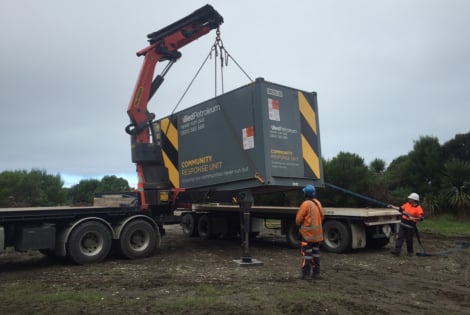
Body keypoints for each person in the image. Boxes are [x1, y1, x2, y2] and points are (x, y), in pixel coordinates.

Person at [296, 184, 324, 279]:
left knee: (306, 255)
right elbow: (322, 216)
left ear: (306, 194)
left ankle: (305, 274)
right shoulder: (318, 203)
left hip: (308, 235)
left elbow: (298, 219)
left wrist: (300, 226)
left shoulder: (305, 204)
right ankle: (316, 273)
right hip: (317, 235)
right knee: (316, 254)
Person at [390, 193, 425, 257]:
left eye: (410, 198)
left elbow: (421, 218)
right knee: (400, 237)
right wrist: (392, 207)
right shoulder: (407, 204)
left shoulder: (418, 208)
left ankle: (410, 252)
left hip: (410, 225)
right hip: (403, 223)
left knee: (409, 239)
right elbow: (400, 209)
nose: (409, 199)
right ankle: (397, 252)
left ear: (414, 200)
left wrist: (413, 218)